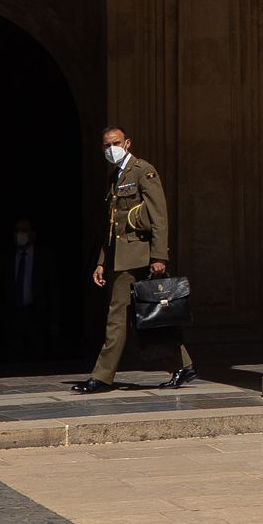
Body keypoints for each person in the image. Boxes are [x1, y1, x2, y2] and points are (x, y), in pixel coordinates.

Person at [74, 126, 193, 394]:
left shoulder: (143, 171)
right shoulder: (115, 177)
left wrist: (159, 256)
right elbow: (111, 227)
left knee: (117, 317)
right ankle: (183, 365)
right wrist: (102, 261)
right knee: (147, 316)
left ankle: (102, 377)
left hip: (137, 258)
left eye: (115, 143)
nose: (110, 149)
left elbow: (158, 215)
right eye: (106, 145)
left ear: (127, 143)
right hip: (120, 258)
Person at [0, 217, 52, 361]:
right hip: (12, 317)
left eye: (24, 230)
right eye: (17, 230)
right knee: (12, 357)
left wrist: (53, 321)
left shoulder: (44, 257)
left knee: (38, 357)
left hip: (36, 315)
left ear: (33, 234)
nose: (20, 234)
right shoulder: (6, 259)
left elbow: (52, 290)